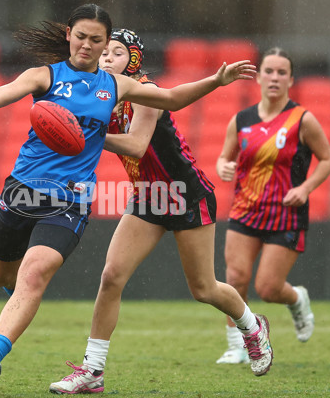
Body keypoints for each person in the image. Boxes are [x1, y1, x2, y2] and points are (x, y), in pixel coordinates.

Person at [0, 4, 256, 392]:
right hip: (23, 190)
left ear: (107, 43)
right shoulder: (45, 76)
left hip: (75, 199)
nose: (90, 47)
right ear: (69, 35)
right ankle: (20, 301)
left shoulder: (118, 86)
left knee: (37, 274)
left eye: (99, 41)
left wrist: (216, 80)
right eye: (83, 37)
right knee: (1, 277)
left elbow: (170, 99)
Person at [49, 29, 272, 395]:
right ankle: (93, 370)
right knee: (111, 277)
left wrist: (83, 134)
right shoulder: (100, 95)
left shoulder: (145, 93)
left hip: (184, 193)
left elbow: (136, 146)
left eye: (116, 53)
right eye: (104, 52)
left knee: (204, 288)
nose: (105, 58)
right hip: (148, 195)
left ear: (133, 61)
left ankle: (251, 326)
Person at [214, 47, 330, 364]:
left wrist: (306, 188)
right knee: (235, 279)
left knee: (267, 288)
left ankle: (297, 299)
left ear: (291, 79)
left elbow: (327, 159)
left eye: (282, 72)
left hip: (286, 214)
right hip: (245, 210)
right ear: (259, 76)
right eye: (269, 70)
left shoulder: (302, 119)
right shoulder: (241, 119)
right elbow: (225, 158)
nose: (274, 77)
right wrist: (223, 167)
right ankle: (237, 345)